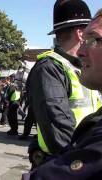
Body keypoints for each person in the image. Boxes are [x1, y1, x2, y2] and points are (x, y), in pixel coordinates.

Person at [22, 8, 102, 180]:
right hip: (64, 162)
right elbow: (58, 130)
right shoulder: (51, 67)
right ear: (80, 33)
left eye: (94, 39)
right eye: (88, 38)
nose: (83, 52)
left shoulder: (77, 68)